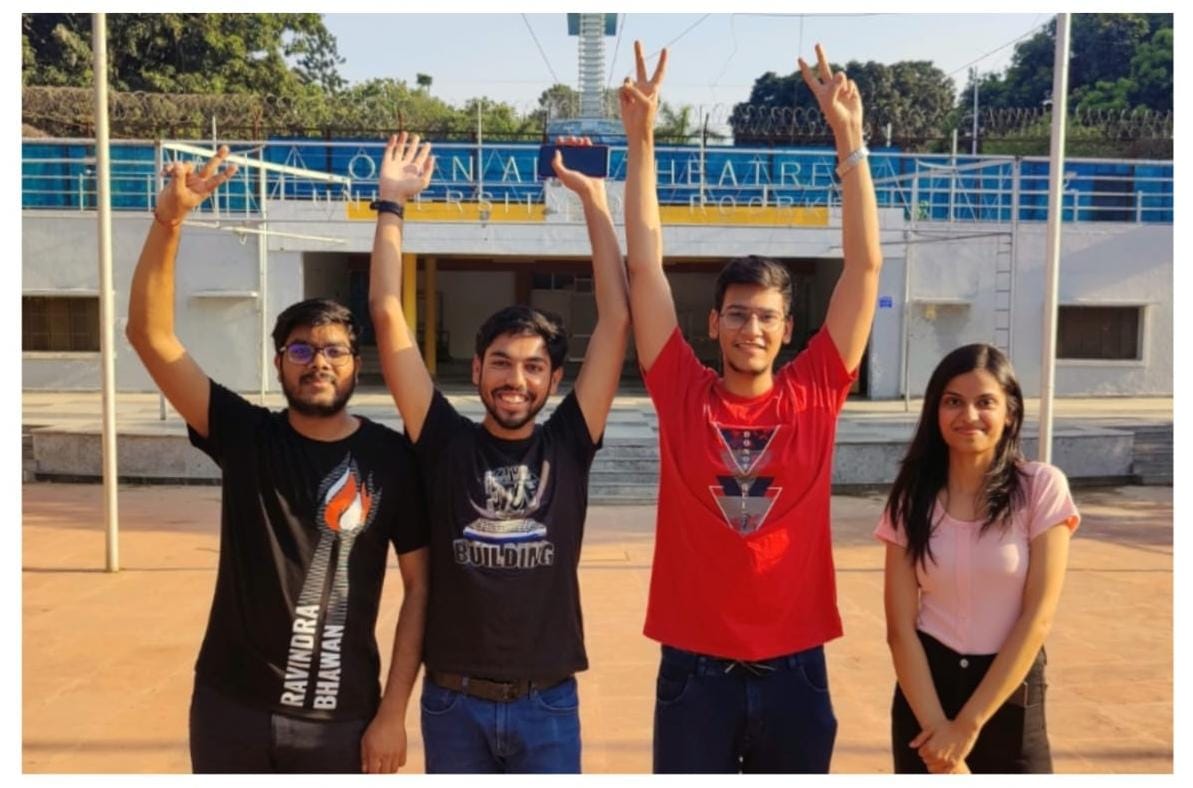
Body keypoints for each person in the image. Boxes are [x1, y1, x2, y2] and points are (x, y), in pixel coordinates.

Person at [618, 40, 883, 773]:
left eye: (766, 316)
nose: (751, 329)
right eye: (737, 314)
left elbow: (864, 267)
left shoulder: (816, 389)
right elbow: (644, 265)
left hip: (795, 667)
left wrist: (849, 140)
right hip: (694, 673)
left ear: (787, 329)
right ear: (713, 324)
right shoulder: (679, 390)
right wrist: (641, 142)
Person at [125, 147, 430, 774]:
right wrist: (169, 222)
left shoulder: (391, 459)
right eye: (300, 350)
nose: (318, 362)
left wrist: (393, 711)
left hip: (340, 718)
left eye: (334, 351)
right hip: (230, 709)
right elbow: (149, 337)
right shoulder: (245, 435)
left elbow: (421, 587)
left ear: (356, 365)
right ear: (278, 364)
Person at [367, 133, 629, 773]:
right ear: (477, 369)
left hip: (548, 705)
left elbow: (618, 320)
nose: (516, 379)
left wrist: (595, 203)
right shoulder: (444, 441)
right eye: (502, 363)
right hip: (454, 704)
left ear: (554, 380)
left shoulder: (569, 443)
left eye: (533, 367)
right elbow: (385, 310)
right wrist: (391, 204)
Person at [877, 344, 1080, 774]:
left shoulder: (1041, 488)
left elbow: (1038, 616)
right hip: (926, 697)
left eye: (985, 402)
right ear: (935, 412)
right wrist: (938, 734)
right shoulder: (912, 498)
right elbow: (899, 629)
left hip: (1009, 693)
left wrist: (965, 729)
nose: (968, 415)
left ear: (1010, 413)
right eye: (953, 401)